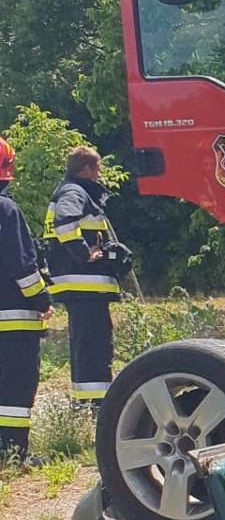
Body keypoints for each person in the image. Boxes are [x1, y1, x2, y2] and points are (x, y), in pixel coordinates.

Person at [43, 147, 120, 405]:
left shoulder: (72, 190)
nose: (98, 176)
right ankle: (95, 406)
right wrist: (84, 253)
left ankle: (88, 403)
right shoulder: (74, 192)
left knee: (88, 345)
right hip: (83, 284)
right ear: (86, 169)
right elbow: (64, 223)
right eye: (96, 169)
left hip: (83, 288)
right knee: (93, 347)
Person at [0, 137, 52, 459]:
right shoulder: (6, 210)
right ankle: (13, 453)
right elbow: (21, 266)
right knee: (15, 388)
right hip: (12, 320)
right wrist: (42, 299)